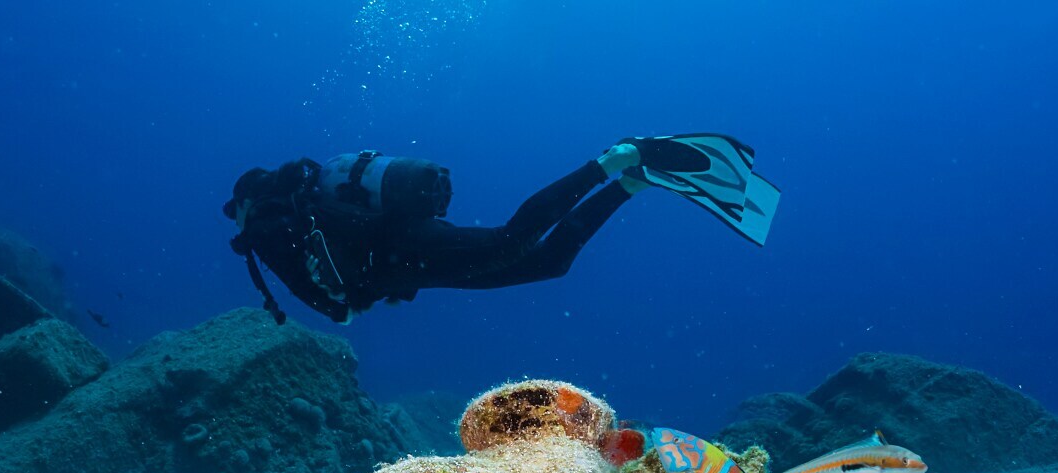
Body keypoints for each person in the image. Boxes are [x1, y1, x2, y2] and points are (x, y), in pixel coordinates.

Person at [223, 134, 778, 325]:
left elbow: (325, 296)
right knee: (546, 262)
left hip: (395, 252)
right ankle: (635, 181)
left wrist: (348, 299)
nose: (236, 222)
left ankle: (614, 159)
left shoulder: (267, 226)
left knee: (509, 242)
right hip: (396, 261)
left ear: (247, 200)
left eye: (235, 210)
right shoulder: (290, 211)